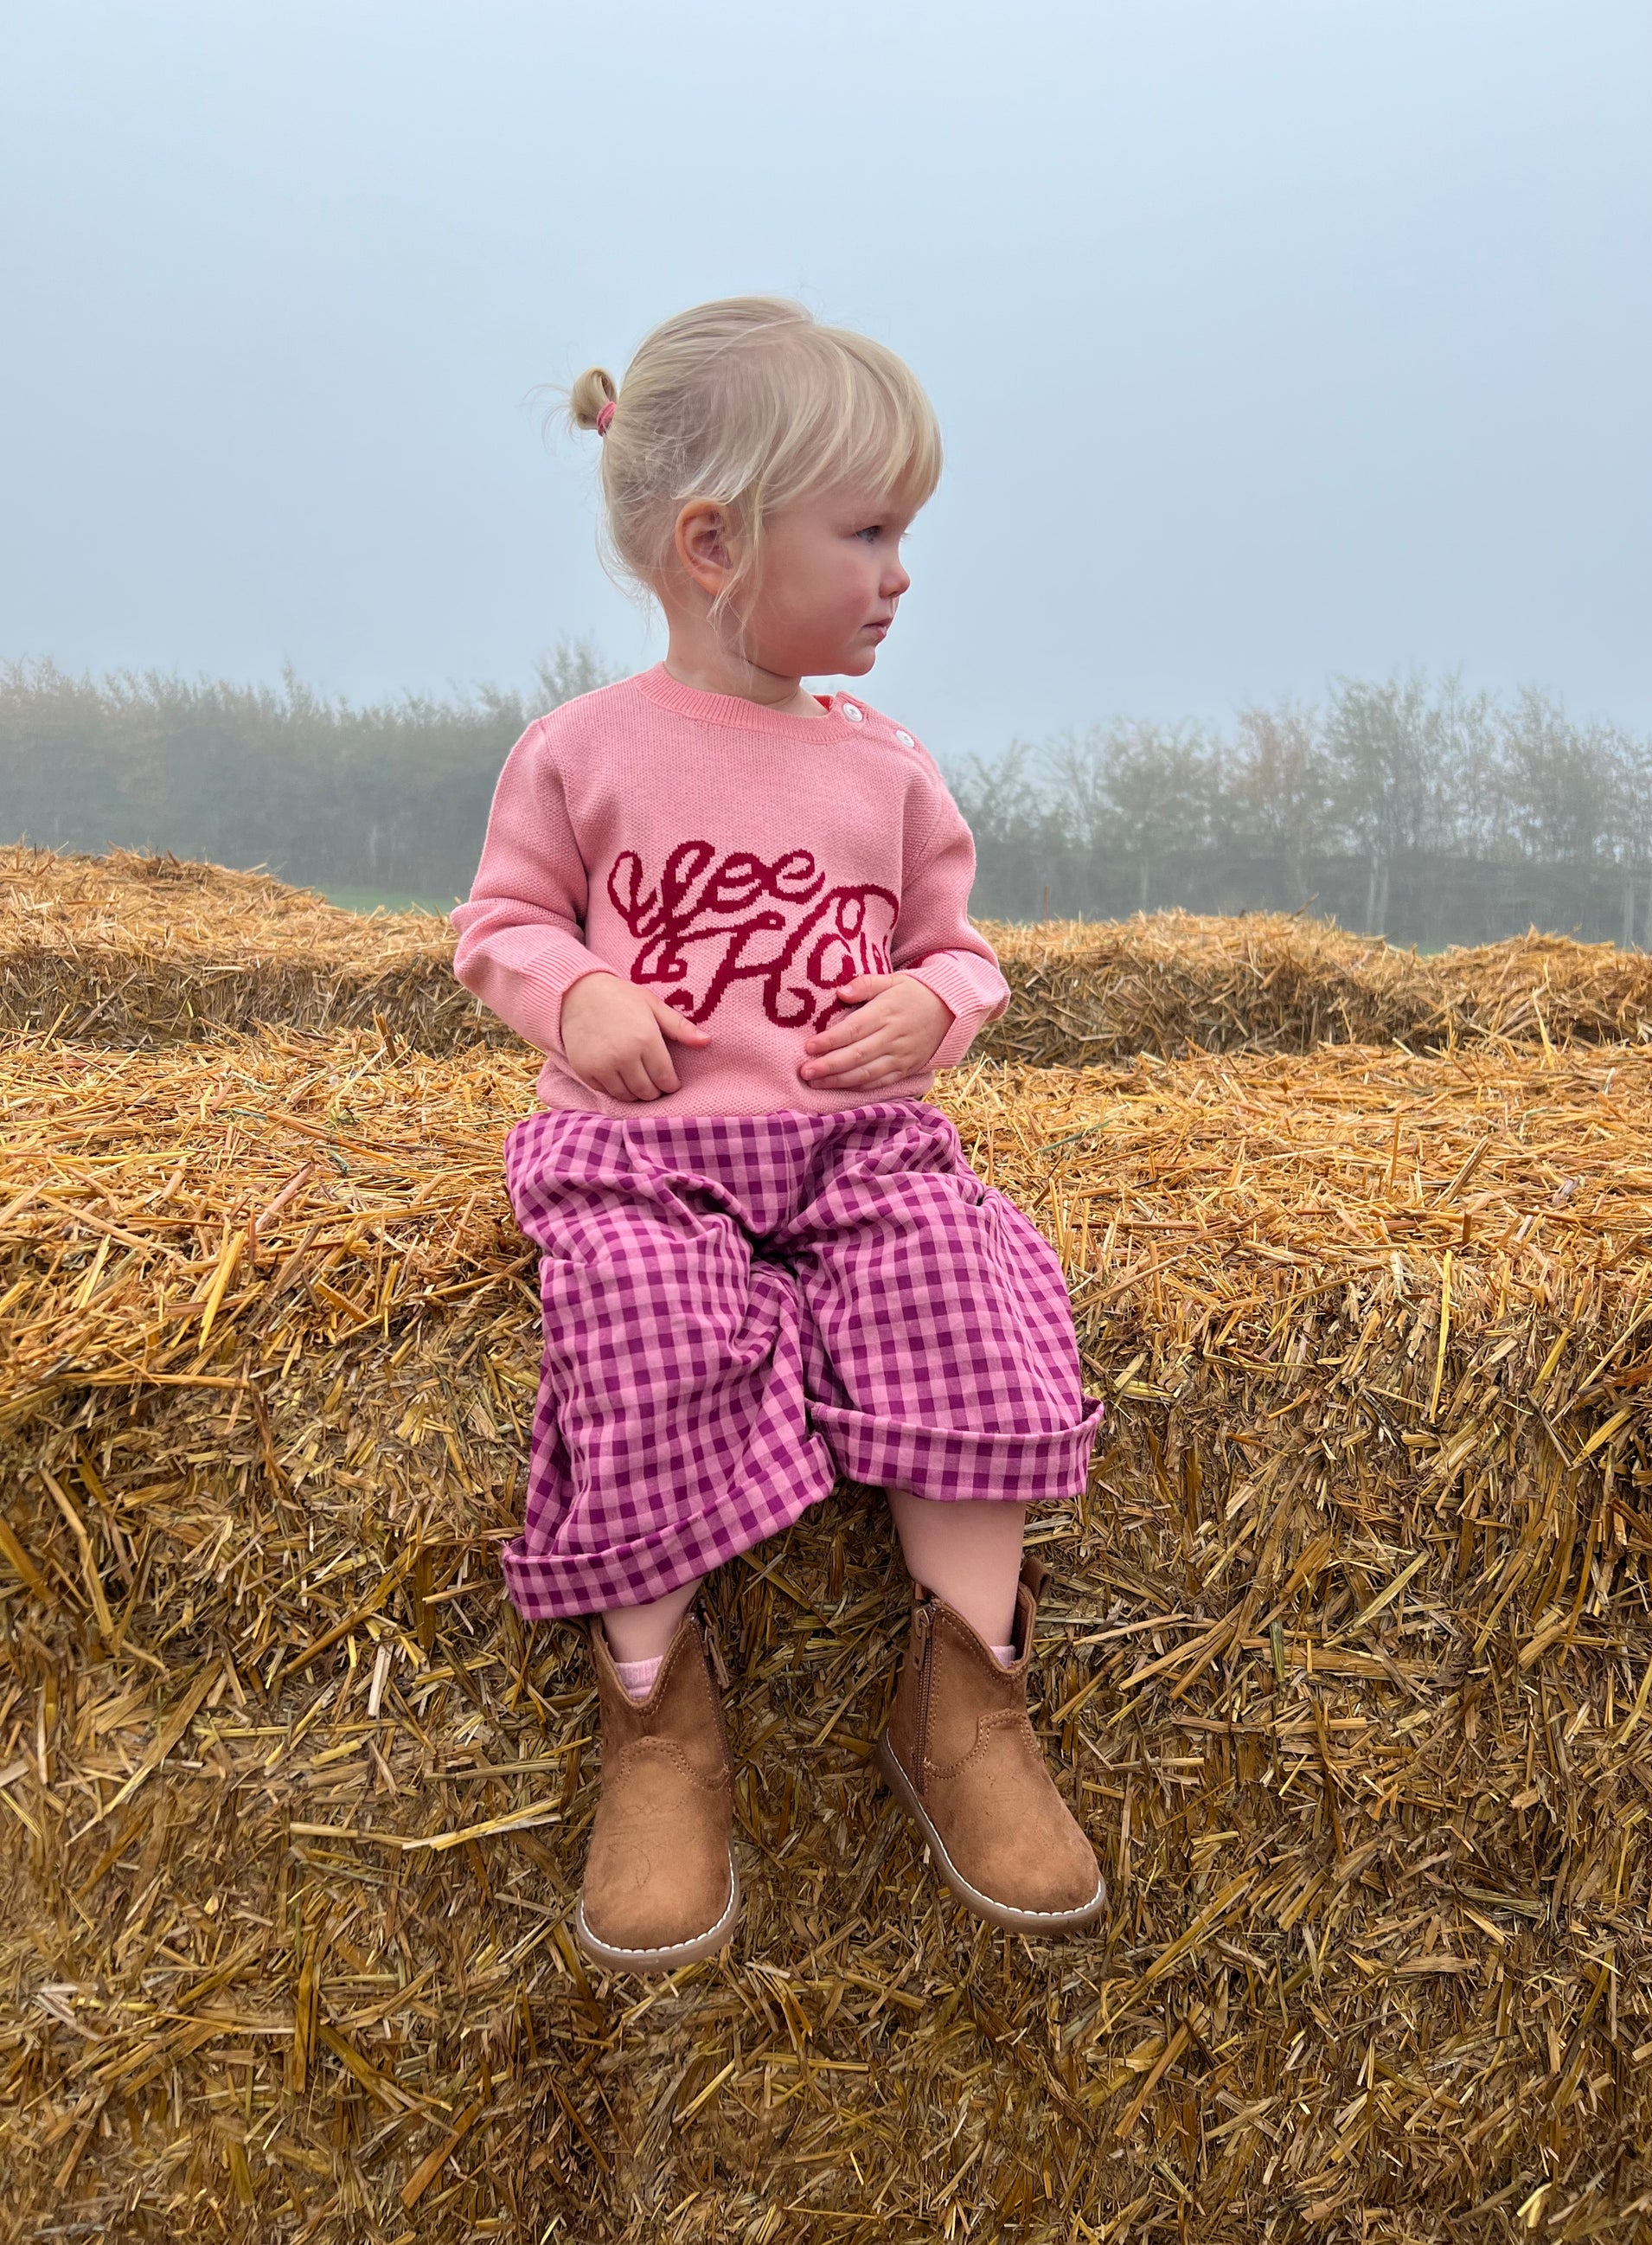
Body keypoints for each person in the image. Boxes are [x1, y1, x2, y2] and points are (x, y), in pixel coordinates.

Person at [451, 297, 1105, 1975]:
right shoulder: (582, 752)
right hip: (644, 1159)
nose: (900, 574)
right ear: (713, 544)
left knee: (964, 1289)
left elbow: (960, 949)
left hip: (851, 1152)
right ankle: (654, 1716)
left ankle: (969, 1690)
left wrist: (934, 1007)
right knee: (641, 1330)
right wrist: (579, 992)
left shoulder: (887, 771)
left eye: (903, 535)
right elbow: (500, 926)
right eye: (868, 533)